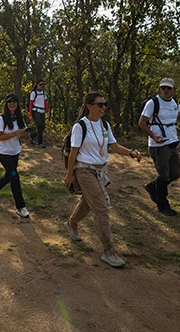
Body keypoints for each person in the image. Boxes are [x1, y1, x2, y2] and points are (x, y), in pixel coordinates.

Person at [64, 92, 142, 268]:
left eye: (105, 104)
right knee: (101, 208)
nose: (104, 108)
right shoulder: (80, 126)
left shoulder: (105, 125)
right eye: (100, 104)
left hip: (101, 171)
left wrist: (130, 152)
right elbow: (73, 153)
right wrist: (70, 175)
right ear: (89, 106)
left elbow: (113, 146)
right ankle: (109, 251)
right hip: (84, 171)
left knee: (88, 202)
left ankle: (71, 223)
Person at [138, 78, 180, 217]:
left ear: (174, 89)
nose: (166, 90)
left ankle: (153, 186)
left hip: (172, 141)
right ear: (159, 89)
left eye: (168, 88)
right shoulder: (153, 103)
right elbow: (142, 122)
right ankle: (162, 204)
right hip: (159, 144)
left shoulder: (175, 103)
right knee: (163, 175)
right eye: (163, 88)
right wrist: (153, 136)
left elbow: (178, 117)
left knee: (175, 173)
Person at [0, 94, 30, 218]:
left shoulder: (19, 117)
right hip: (3, 152)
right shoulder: (1, 119)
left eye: (14, 102)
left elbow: (23, 132)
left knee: (9, 175)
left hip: (15, 151)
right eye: (10, 102)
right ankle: (20, 207)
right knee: (14, 177)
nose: (12, 104)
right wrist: (15, 133)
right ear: (6, 104)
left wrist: (26, 134)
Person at [28, 79, 50, 148]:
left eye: (43, 85)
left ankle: (32, 135)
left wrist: (48, 110)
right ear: (37, 85)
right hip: (36, 111)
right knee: (39, 126)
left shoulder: (43, 92)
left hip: (42, 111)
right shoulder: (33, 93)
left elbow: (45, 102)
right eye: (40, 85)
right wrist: (30, 114)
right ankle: (40, 143)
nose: (42, 86)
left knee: (42, 127)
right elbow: (31, 104)